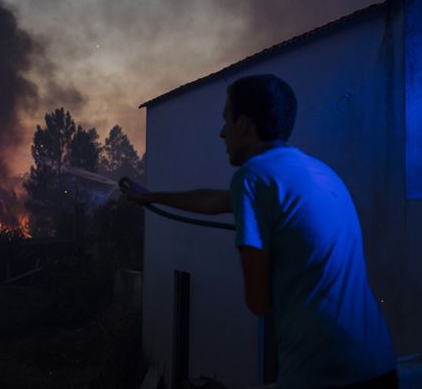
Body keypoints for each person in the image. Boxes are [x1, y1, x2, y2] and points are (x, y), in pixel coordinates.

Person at [123, 74, 398, 388]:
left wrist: (261, 238)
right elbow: (217, 200)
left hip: (323, 373)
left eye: (226, 119)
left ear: (243, 125)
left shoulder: (253, 178)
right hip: (379, 365)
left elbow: (258, 300)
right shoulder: (317, 171)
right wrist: (150, 196)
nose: (222, 132)